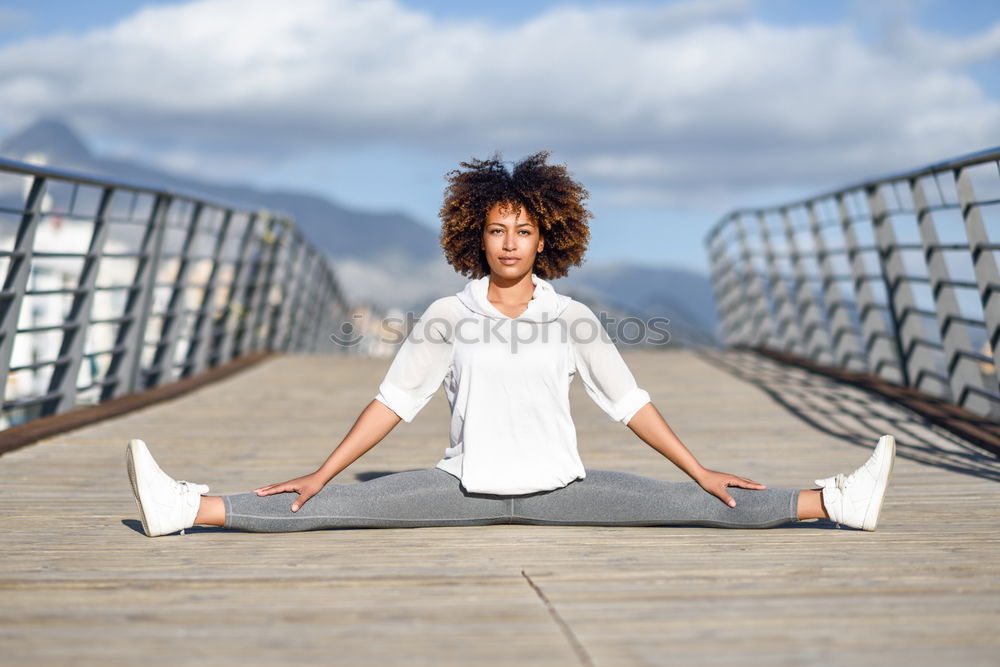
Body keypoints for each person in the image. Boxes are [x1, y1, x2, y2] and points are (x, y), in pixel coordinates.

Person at [125, 151, 895, 538]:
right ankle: (188, 507)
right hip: (463, 488)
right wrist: (324, 468)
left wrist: (697, 465)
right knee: (330, 504)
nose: (509, 243)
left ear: (546, 236)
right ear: (475, 234)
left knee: (698, 499)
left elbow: (629, 403)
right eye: (496, 229)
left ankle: (836, 500)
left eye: (524, 230)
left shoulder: (573, 318)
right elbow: (393, 401)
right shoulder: (447, 313)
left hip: (565, 488)